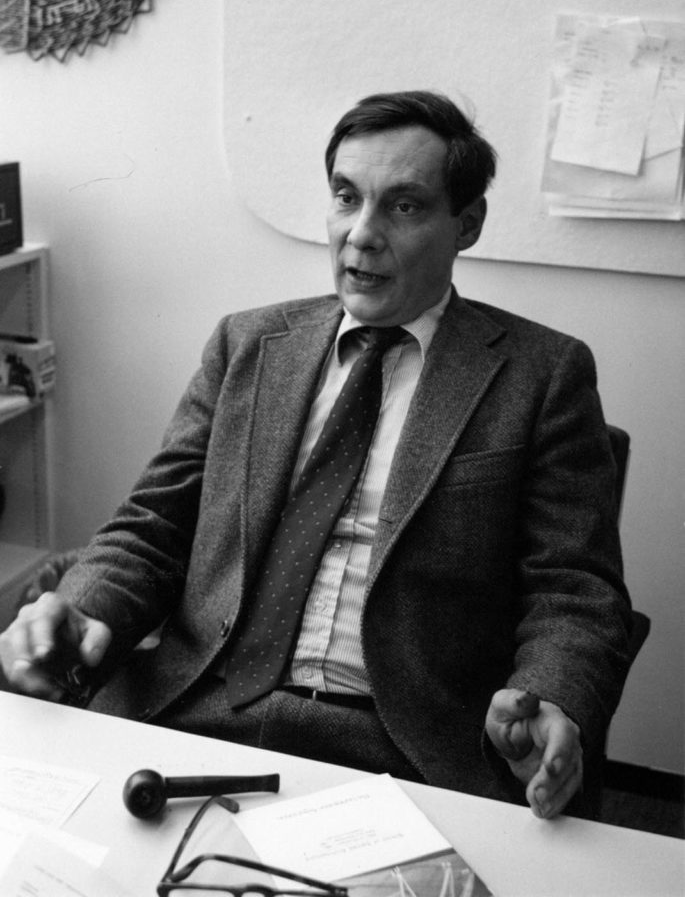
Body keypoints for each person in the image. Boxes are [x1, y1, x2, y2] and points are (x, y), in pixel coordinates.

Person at [0, 90, 632, 819]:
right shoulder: (247, 346)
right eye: (345, 198)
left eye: (402, 207)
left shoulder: (539, 374)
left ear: (466, 224)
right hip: (201, 710)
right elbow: (151, 529)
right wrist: (80, 612)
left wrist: (552, 696)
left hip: (410, 747)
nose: (359, 235)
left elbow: (573, 591)